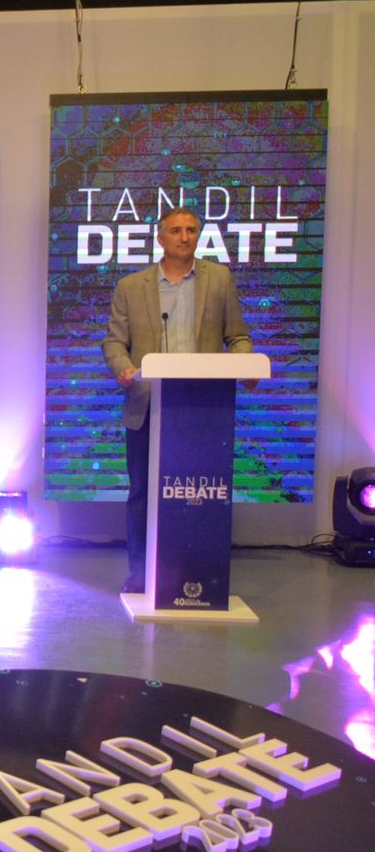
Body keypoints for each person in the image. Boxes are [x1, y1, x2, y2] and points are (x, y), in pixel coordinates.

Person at [102, 206, 254, 594]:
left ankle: (198, 571)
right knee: (142, 493)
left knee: (199, 491)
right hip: (148, 404)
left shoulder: (218, 279)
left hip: (201, 408)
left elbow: (236, 336)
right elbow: (115, 342)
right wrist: (122, 367)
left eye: (191, 230)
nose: (184, 237)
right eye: (176, 230)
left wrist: (247, 363)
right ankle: (141, 571)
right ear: (161, 238)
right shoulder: (131, 287)